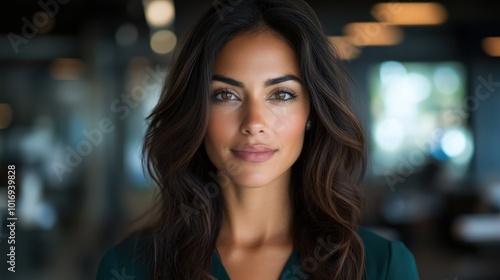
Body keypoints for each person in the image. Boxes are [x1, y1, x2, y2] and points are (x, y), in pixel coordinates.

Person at [96, 0, 419, 279]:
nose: (254, 123)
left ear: (312, 113)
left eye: (280, 94)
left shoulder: (382, 267)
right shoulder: (129, 268)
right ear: (197, 114)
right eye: (226, 95)